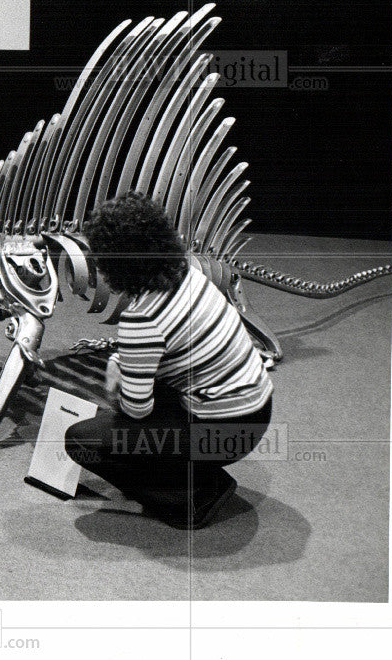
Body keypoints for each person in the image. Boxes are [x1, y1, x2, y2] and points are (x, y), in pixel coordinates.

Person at [64, 191, 273, 530]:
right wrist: (126, 361)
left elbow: (135, 410)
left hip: (225, 429)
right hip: (257, 410)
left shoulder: (141, 317)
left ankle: (188, 497)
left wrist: (117, 377)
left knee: (80, 440)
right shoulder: (188, 274)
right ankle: (195, 473)